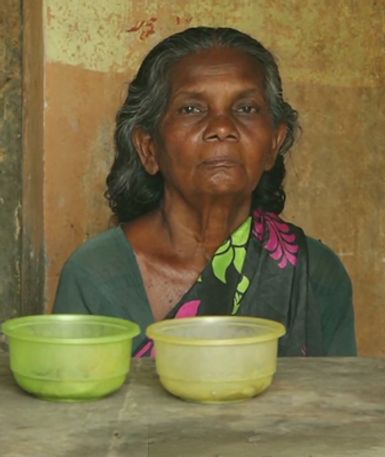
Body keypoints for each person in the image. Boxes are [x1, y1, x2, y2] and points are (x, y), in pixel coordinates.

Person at [53, 27, 356, 357]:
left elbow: (338, 403)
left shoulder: (314, 274)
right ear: (148, 148)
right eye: (191, 109)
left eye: (246, 108)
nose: (222, 128)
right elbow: (73, 402)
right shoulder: (95, 274)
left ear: (274, 144)